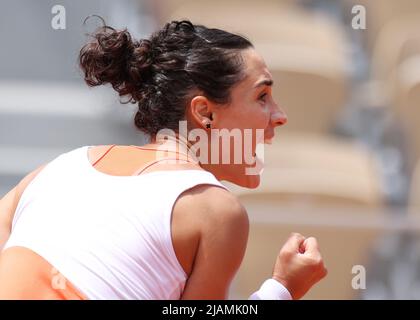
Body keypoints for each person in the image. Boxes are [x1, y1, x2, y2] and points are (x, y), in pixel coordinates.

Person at [0, 20, 327, 300]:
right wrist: (283, 288)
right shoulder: (215, 209)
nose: (280, 116)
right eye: (262, 96)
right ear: (204, 112)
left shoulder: (52, 170)